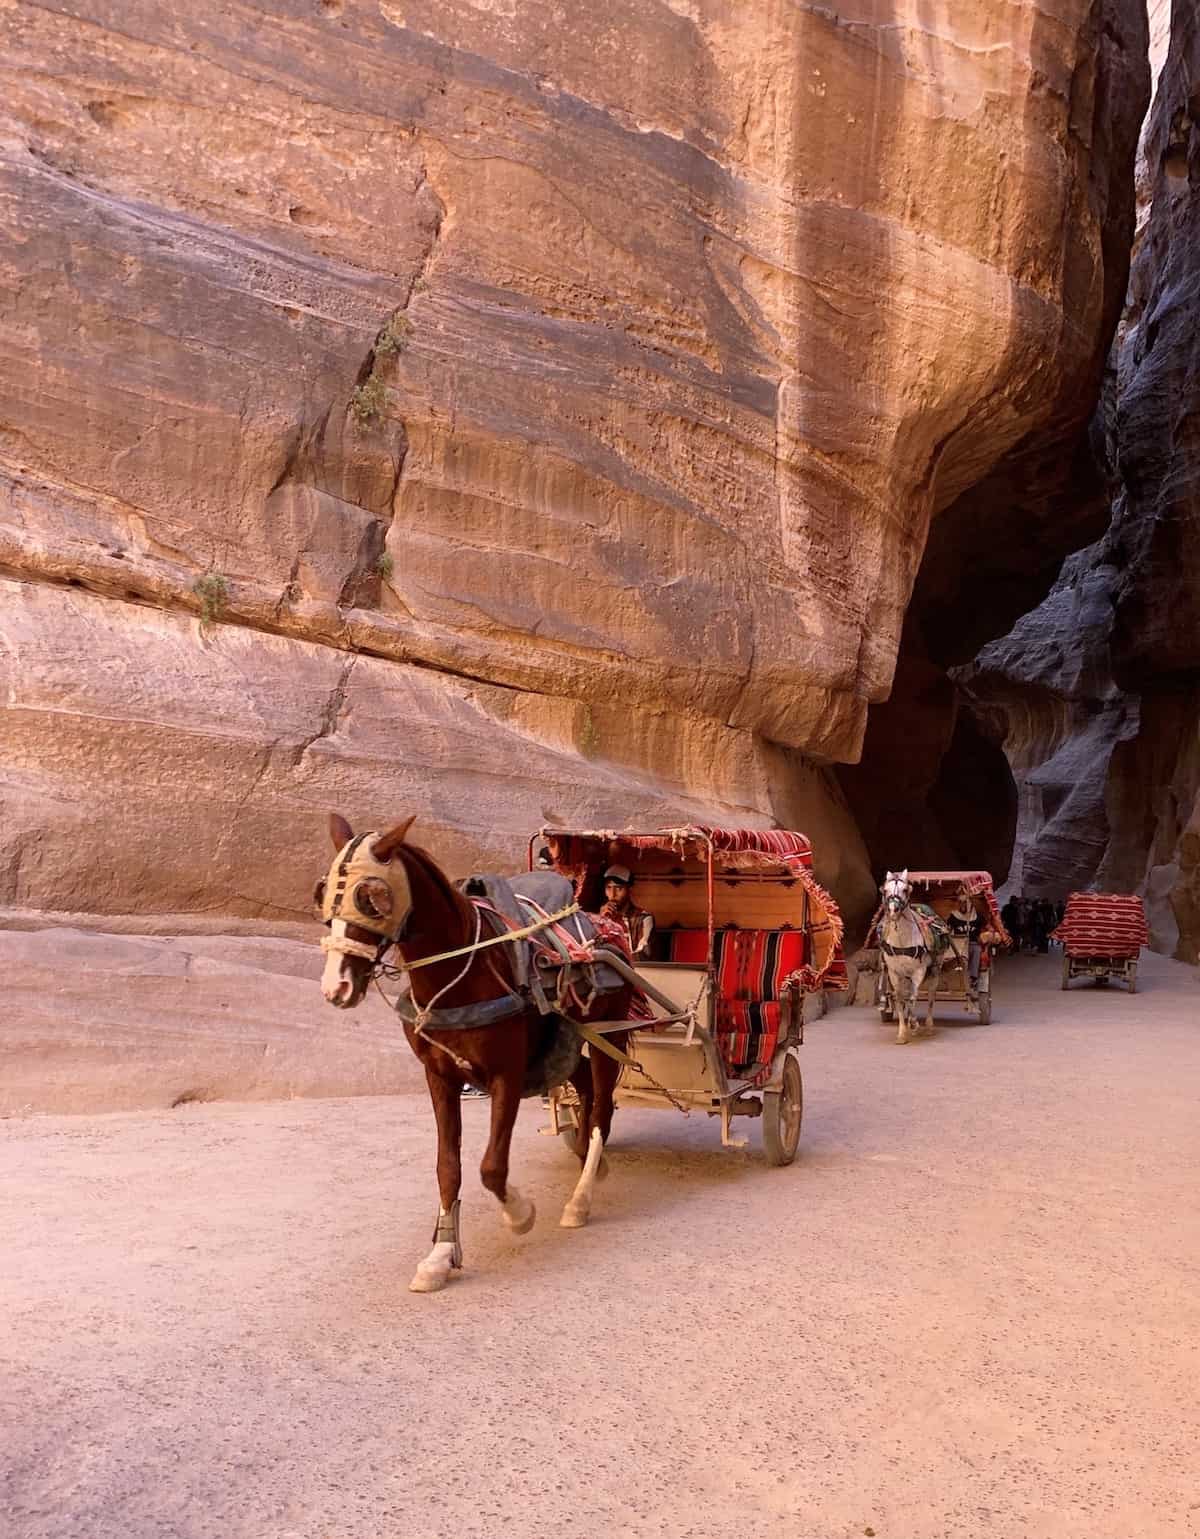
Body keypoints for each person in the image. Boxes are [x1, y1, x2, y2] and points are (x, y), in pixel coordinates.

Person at [599, 864, 654, 958]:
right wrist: (600, 921)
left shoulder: (643, 918)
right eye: (608, 888)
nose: (612, 894)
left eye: (619, 888)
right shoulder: (601, 917)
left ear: (630, 889)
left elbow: (643, 954)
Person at [946, 890, 982, 991]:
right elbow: (948, 928)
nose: (962, 905)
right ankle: (954, 978)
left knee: (976, 950)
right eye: (960, 902)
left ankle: (973, 978)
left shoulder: (977, 917)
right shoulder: (954, 916)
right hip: (958, 944)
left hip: (973, 943)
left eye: (964, 902)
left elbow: (985, 929)